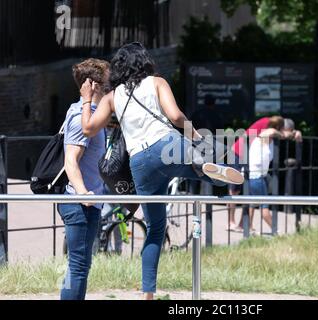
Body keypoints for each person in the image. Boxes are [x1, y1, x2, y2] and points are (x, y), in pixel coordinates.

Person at [79, 42, 244, 300]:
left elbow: (88, 128)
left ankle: (148, 293)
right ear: (145, 62)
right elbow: (176, 116)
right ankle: (211, 173)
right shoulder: (156, 82)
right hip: (167, 145)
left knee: (155, 228)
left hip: (140, 163)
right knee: (202, 164)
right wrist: (197, 137)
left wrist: (87, 98)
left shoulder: (112, 97)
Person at [57, 58, 110, 300]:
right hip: (79, 202)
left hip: (89, 201)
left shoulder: (94, 114)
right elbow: (71, 160)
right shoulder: (81, 114)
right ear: (92, 85)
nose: (110, 86)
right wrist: (82, 192)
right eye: (107, 81)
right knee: (78, 265)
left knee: (82, 265)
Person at [227, 116, 302, 232]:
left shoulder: (272, 132)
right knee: (235, 190)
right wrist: (288, 134)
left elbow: (277, 134)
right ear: (282, 127)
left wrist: (295, 133)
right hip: (239, 152)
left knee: (251, 197)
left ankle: (244, 223)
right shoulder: (268, 125)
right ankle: (231, 222)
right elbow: (272, 133)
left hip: (249, 158)